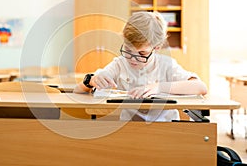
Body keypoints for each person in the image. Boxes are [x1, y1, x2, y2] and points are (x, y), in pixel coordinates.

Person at [73, 11, 207, 121]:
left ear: (157, 48)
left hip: (166, 130)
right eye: (128, 50)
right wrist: (90, 80)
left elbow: (201, 87)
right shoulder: (120, 64)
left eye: (142, 53)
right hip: (130, 130)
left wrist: (159, 87)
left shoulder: (166, 64)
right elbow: (77, 91)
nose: (133, 59)